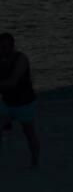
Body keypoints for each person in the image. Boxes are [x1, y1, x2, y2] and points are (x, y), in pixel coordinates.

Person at [0, 33, 40, 168]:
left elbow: (13, 82)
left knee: (29, 133)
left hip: (24, 104)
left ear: (12, 46)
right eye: (0, 47)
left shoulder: (21, 59)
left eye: (5, 47)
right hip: (7, 102)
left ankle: (35, 163)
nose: (2, 50)